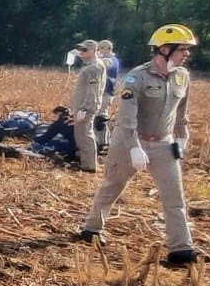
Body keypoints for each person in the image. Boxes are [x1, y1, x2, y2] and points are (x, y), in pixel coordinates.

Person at [76, 24, 201, 267]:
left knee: (175, 198)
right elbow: (126, 117)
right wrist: (134, 147)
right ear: (164, 49)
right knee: (112, 185)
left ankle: (181, 249)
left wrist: (182, 137)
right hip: (129, 142)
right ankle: (91, 228)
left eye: (187, 50)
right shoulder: (138, 77)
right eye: (182, 50)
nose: (186, 54)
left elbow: (182, 113)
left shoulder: (182, 77)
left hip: (164, 145)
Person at [69, 39, 107, 172]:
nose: (82, 52)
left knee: (85, 135)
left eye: (85, 50)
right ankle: (86, 161)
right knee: (81, 135)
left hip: (86, 107)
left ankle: (89, 165)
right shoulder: (91, 64)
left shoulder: (93, 67)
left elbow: (93, 91)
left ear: (93, 51)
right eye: (81, 50)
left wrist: (85, 108)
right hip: (83, 106)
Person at [95, 40, 121, 153]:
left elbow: (105, 64)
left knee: (101, 119)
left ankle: (104, 144)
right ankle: (101, 142)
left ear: (108, 49)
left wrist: (93, 56)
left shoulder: (111, 60)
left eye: (101, 48)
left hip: (106, 93)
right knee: (99, 118)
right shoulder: (108, 59)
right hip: (104, 92)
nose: (99, 50)